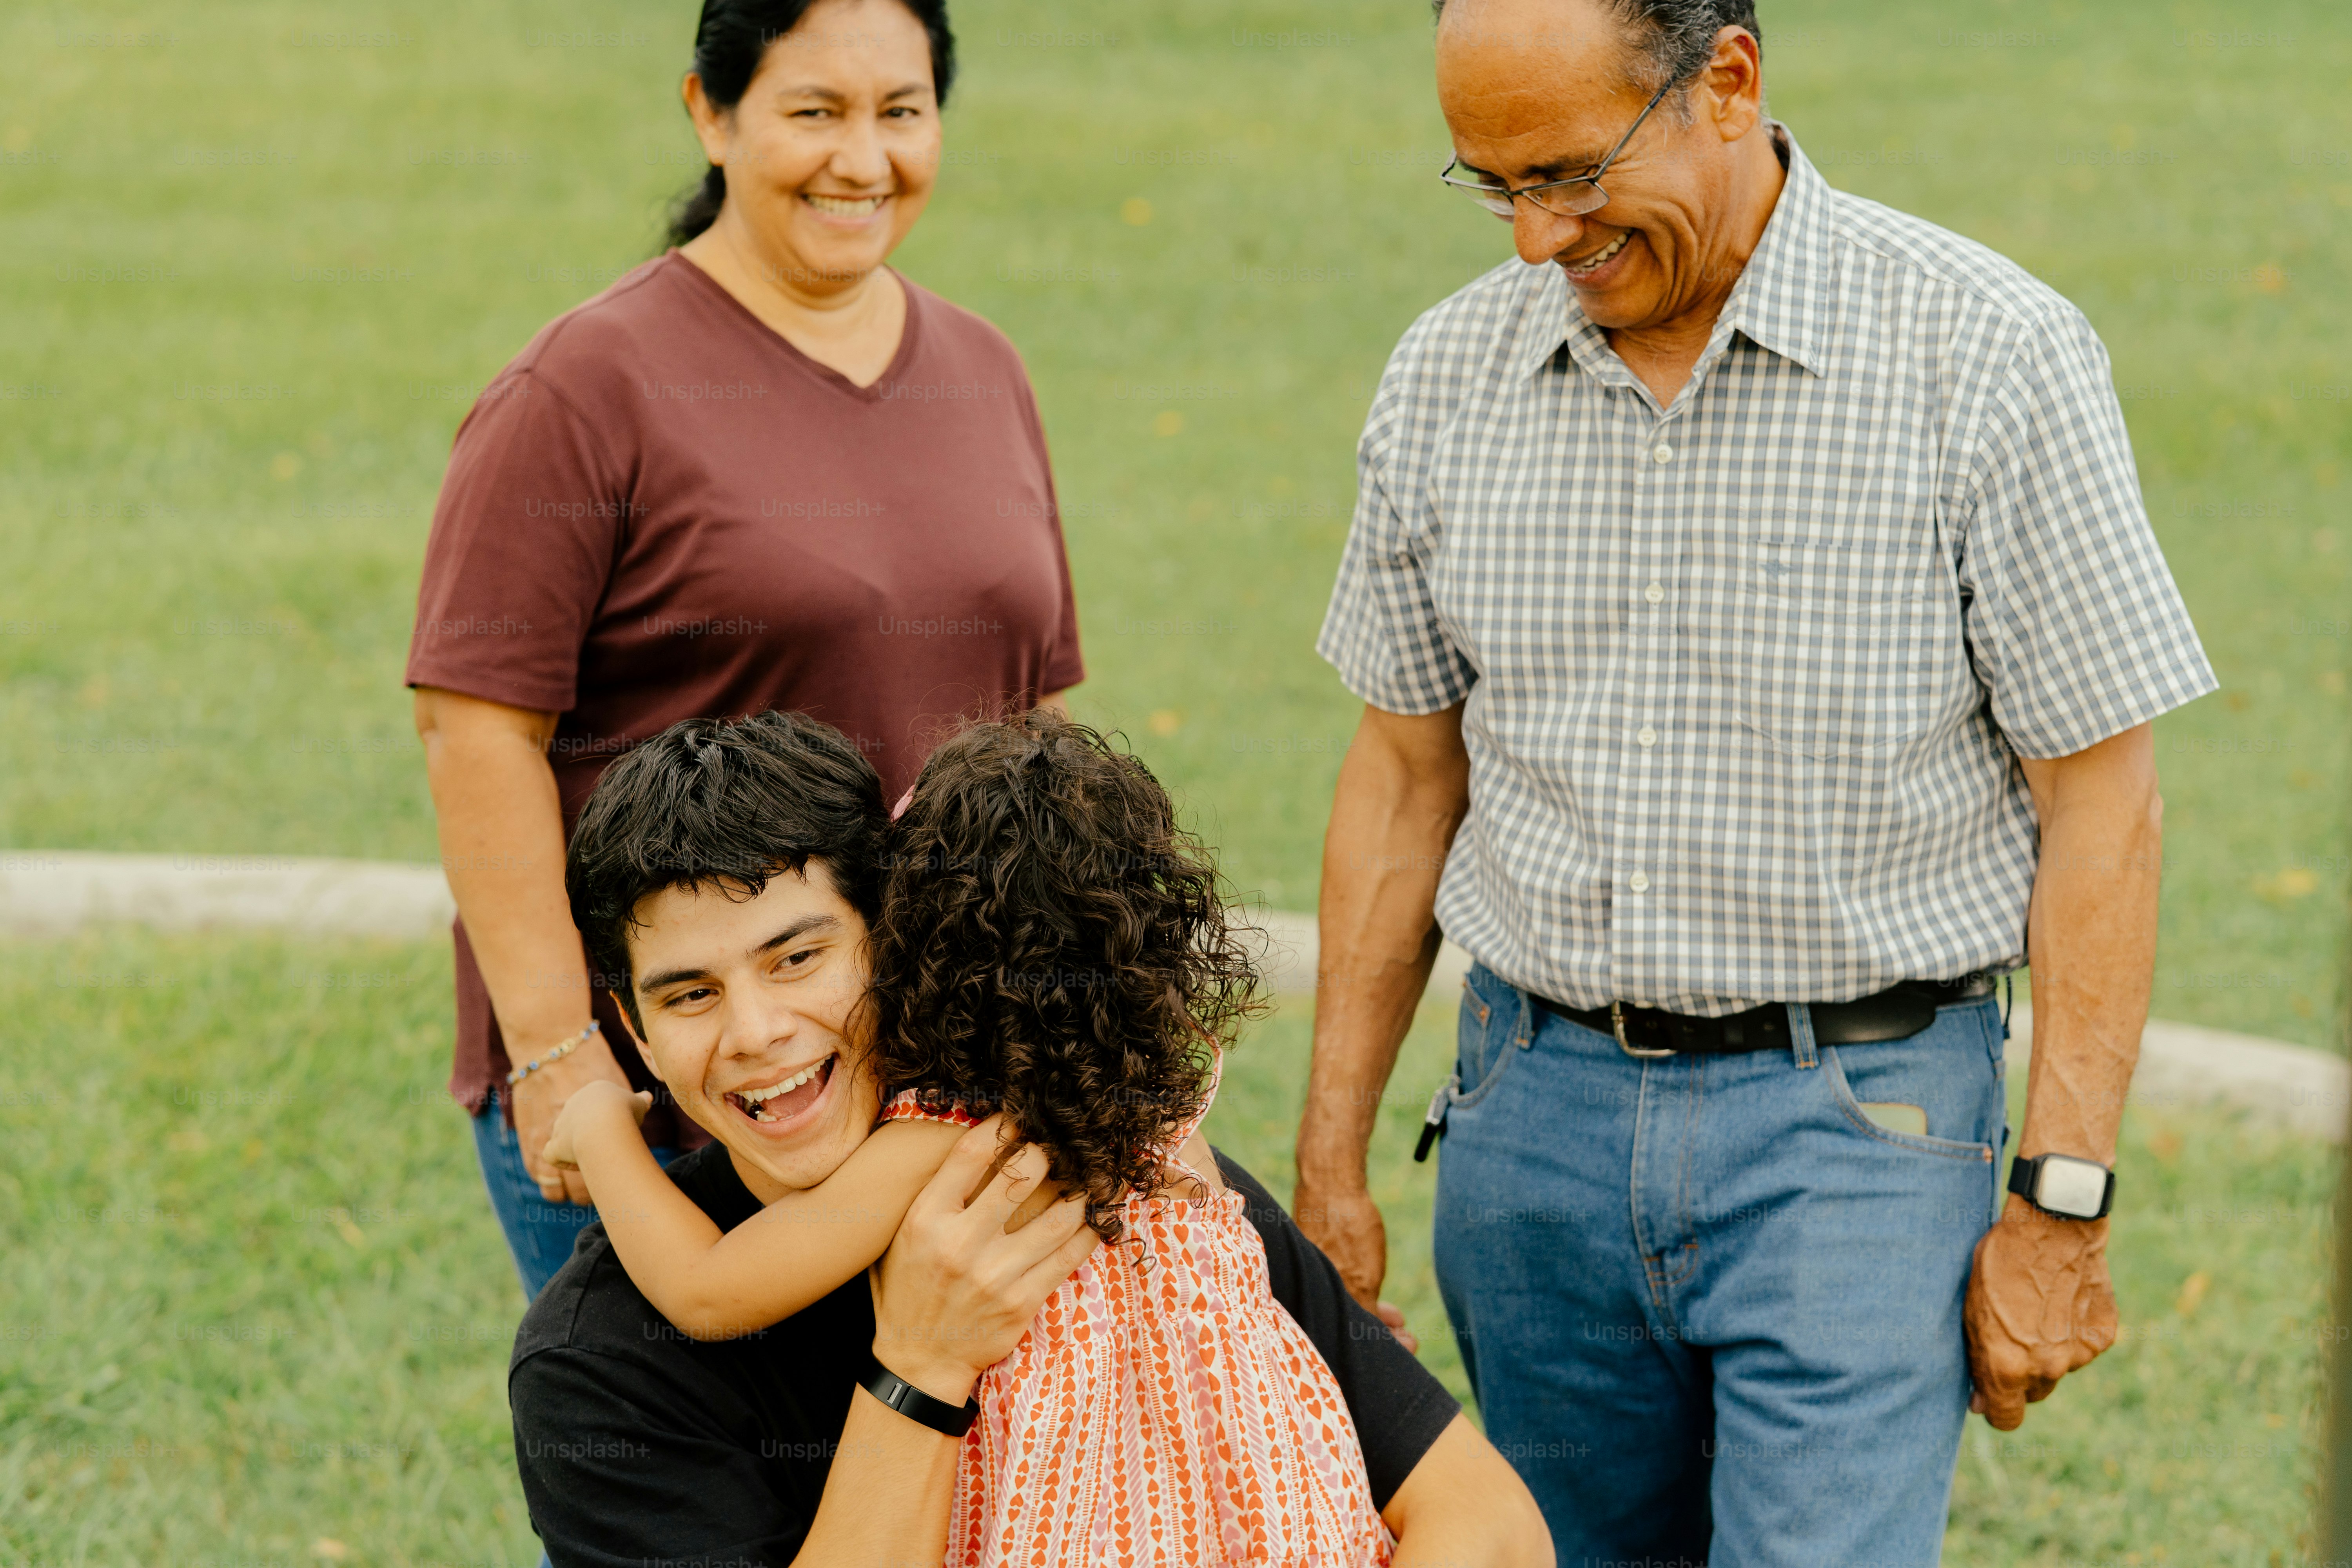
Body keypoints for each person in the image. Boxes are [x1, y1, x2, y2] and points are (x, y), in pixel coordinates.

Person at [1294, 0, 2216, 1563]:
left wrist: (2060, 1203)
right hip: (1533, 1124)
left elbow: (2103, 808)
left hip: (1857, 1133)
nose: (1534, 239)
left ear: (1727, 81)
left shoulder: (1987, 352)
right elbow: (1400, 777)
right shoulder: (1448, 376)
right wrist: (1330, 1158)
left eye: (1570, 172)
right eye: (1491, 184)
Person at [509, 710, 1552, 1567]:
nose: (756, 1032)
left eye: (797, 958)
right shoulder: (602, 1369)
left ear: (900, 939)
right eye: (690, 994)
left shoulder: (1129, 1178)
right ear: (634, 1030)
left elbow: (1493, 1531)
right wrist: (919, 1365)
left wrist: (601, 1130)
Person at [405, 0, 1084, 1297]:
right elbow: (476, 731)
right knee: (706, 1497)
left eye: (902, 111)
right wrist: (559, 1057)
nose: (864, 159)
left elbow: (1031, 707)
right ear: (710, 115)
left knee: (937, 1484)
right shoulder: (581, 390)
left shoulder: (983, 370)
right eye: (813, 111)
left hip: (919, 1085)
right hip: (684, 1090)